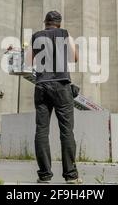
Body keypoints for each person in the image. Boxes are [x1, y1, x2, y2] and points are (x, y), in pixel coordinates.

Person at [30, 11, 81, 184]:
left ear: (45, 22)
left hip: (42, 85)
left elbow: (29, 61)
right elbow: (74, 59)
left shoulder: (36, 36)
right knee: (66, 131)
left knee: (41, 131)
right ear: (59, 23)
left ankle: (44, 175)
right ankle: (71, 176)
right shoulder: (65, 34)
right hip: (61, 85)